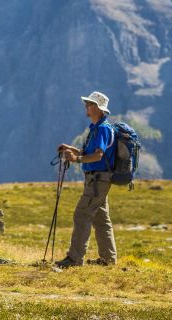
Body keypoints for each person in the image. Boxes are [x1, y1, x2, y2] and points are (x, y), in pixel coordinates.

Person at [55, 90, 118, 268]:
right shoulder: (96, 128)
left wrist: (77, 159)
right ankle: (108, 259)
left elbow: (98, 156)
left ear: (98, 108)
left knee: (82, 215)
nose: (86, 106)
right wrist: (71, 149)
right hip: (98, 180)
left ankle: (74, 259)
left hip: (97, 180)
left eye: (89, 104)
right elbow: (90, 153)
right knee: (101, 219)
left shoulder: (102, 129)